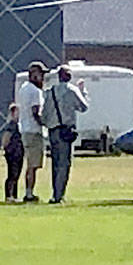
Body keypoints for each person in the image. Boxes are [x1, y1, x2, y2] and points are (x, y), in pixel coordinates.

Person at [42, 63, 89, 205]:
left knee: (55, 163)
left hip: (53, 130)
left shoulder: (50, 92)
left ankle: (54, 192)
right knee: (64, 164)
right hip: (65, 130)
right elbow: (83, 107)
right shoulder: (72, 90)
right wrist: (83, 92)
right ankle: (58, 195)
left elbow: (45, 113)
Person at [16, 60, 48, 203]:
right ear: (34, 75)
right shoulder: (35, 91)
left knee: (30, 164)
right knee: (33, 165)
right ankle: (29, 194)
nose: (43, 78)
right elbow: (36, 112)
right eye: (41, 74)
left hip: (24, 129)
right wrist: (45, 123)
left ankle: (28, 192)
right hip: (34, 131)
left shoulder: (23, 88)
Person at [0, 103, 24, 204]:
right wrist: (5, 148)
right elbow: (6, 137)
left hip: (18, 152)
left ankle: (14, 195)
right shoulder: (11, 125)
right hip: (12, 152)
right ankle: (9, 195)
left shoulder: (19, 125)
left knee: (16, 174)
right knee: (12, 174)